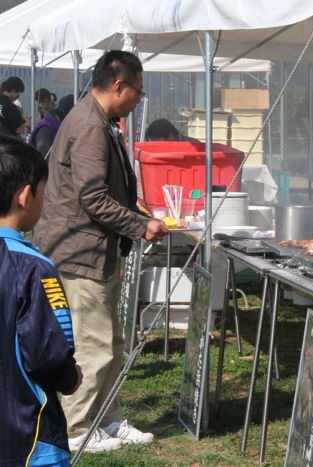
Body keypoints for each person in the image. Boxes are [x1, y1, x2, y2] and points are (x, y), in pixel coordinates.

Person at [33, 50, 169, 452]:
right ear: (118, 85)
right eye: (138, 93)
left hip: (92, 249)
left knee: (109, 342)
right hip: (80, 253)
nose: (138, 101)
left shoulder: (98, 119)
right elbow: (92, 197)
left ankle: (106, 419)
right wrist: (140, 224)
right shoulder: (91, 125)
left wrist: (132, 204)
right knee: (93, 344)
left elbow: (101, 188)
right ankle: (77, 429)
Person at [0, 137, 83, 466]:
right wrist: (70, 377)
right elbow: (48, 355)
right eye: (43, 192)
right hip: (28, 440)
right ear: (25, 195)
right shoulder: (34, 267)